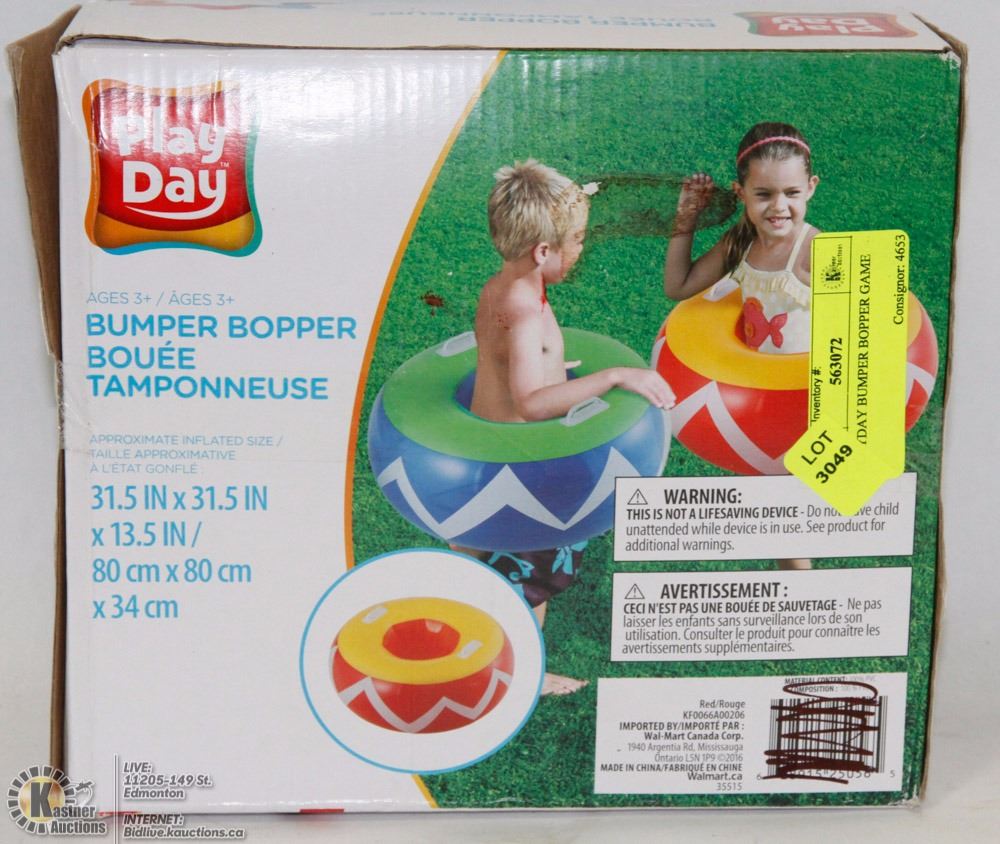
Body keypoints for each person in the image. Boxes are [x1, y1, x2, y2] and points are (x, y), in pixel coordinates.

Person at [457, 160, 674, 694]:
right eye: (576, 240)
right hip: (519, 467)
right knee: (533, 577)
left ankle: (472, 638)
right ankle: (522, 676)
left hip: (484, 451)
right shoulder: (524, 309)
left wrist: (553, 365)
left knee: (483, 563)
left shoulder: (503, 286)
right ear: (542, 251)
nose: (581, 248)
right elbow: (533, 403)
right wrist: (613, 376)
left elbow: (507, 361)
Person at [663, 122, 819, 571]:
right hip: (760, 404)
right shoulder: (741, 241)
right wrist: (686, 218)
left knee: (786, 525)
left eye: (792, 193)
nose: (779, 207)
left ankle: (802, 598)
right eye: (763, 194)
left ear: (811, 187)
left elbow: (864, 328)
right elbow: (679, 285)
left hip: (803, 401)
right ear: (741, 192)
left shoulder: (816, 250)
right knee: (780, 523)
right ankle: (798, 595)